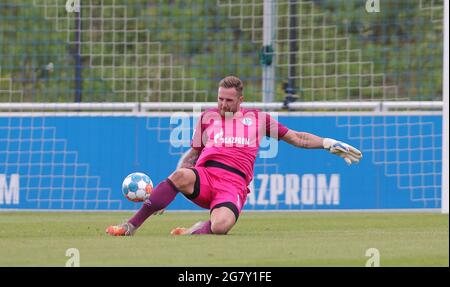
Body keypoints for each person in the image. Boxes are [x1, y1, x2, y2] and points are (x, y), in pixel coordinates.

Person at [106, 76, 362, 236]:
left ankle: (197, 230)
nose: (223, 105)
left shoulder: (259, 120)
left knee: (221, 227)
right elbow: (193, 155)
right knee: (182, 174)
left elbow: (298, 138)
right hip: (206, 176)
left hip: (233, 185)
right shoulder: (207, 117)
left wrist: (328, 143)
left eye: (229, 100)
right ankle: (130, 226)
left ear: (241, 99)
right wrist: (171, 188)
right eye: (220, 99)